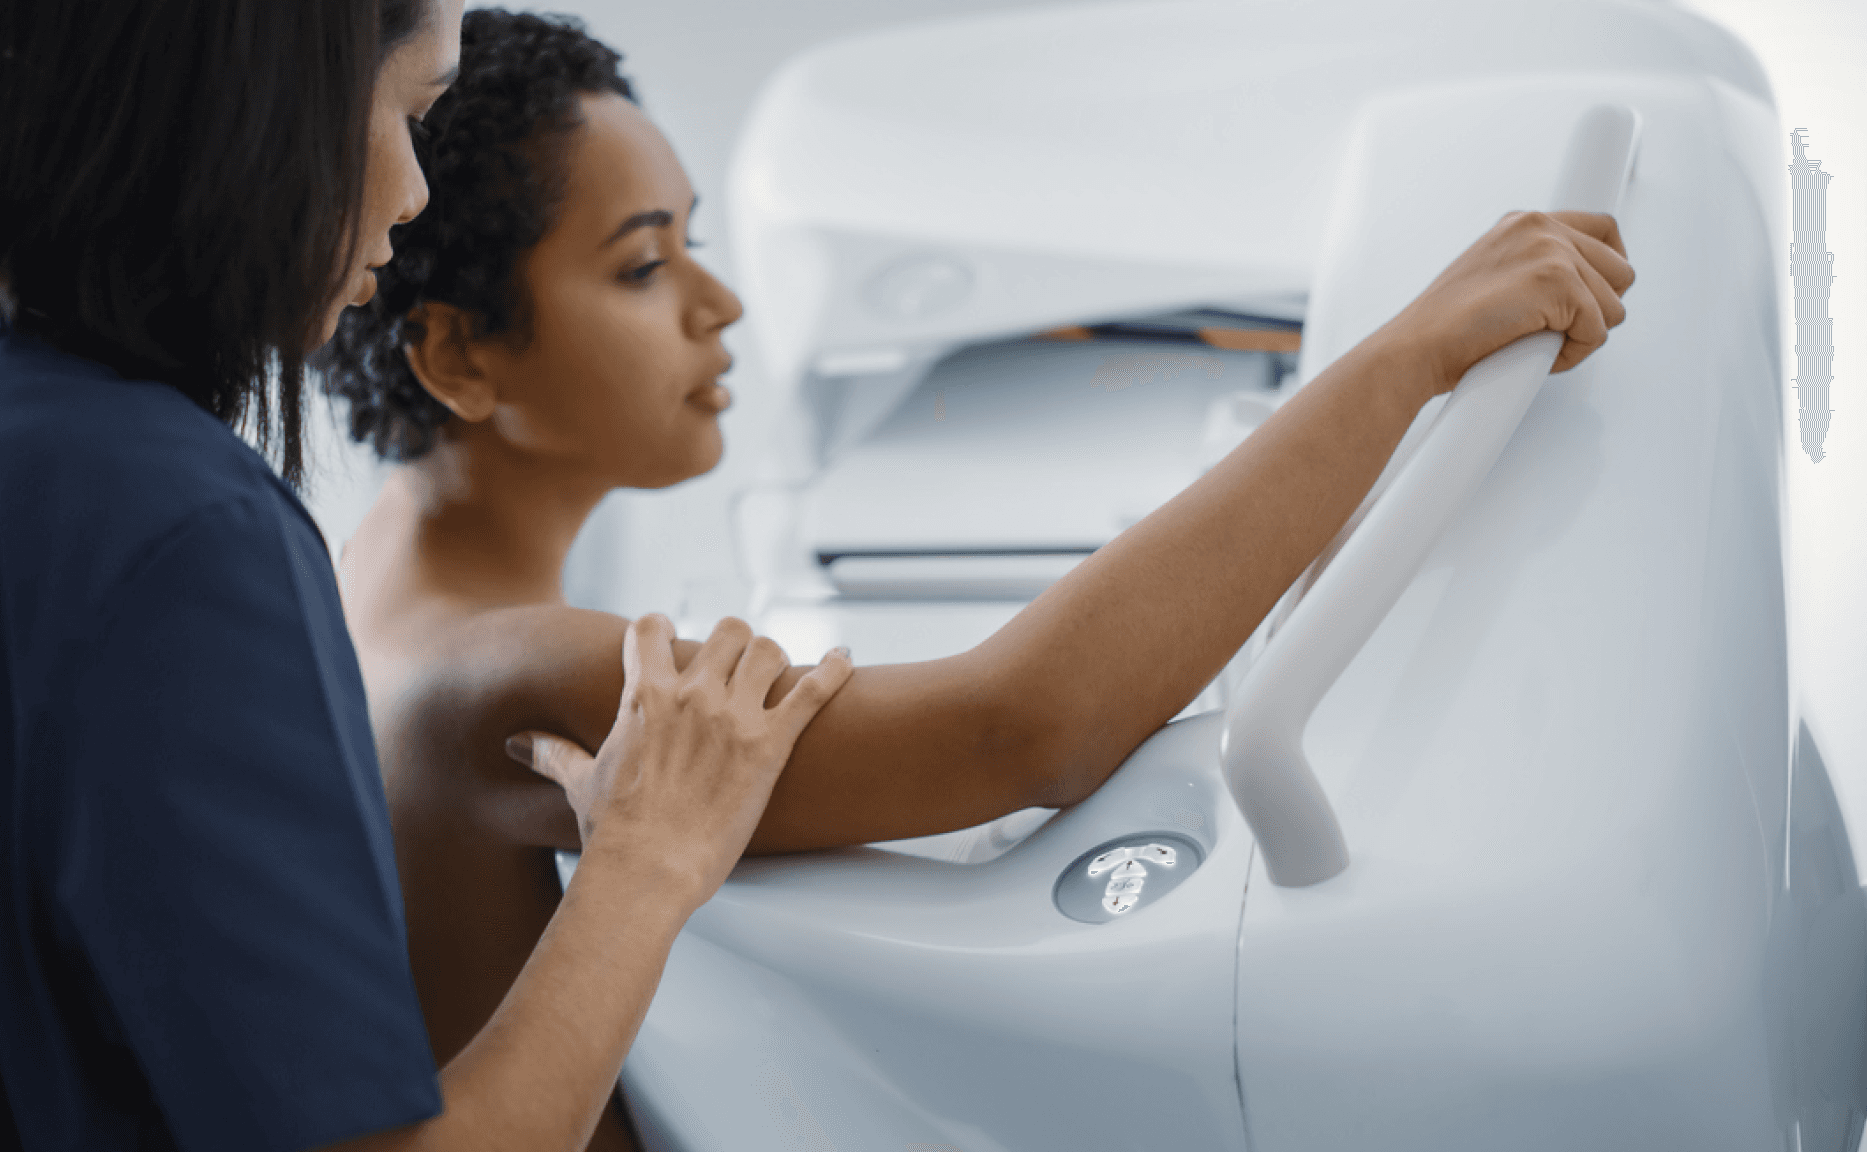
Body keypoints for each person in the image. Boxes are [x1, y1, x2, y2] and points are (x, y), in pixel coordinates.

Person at [320, 8, 1637, 1145]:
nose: (719, 306)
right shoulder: (496, 673)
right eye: (645, 265)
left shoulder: (369, 601)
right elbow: (1026, 726)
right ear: (458, 358)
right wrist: (1409, 354)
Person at [0, 1, 853, 1149]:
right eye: (410, 111)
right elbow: (1021, 723)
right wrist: (647, 859)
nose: (414, 191)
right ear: (260, 103)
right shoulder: (178, 533)